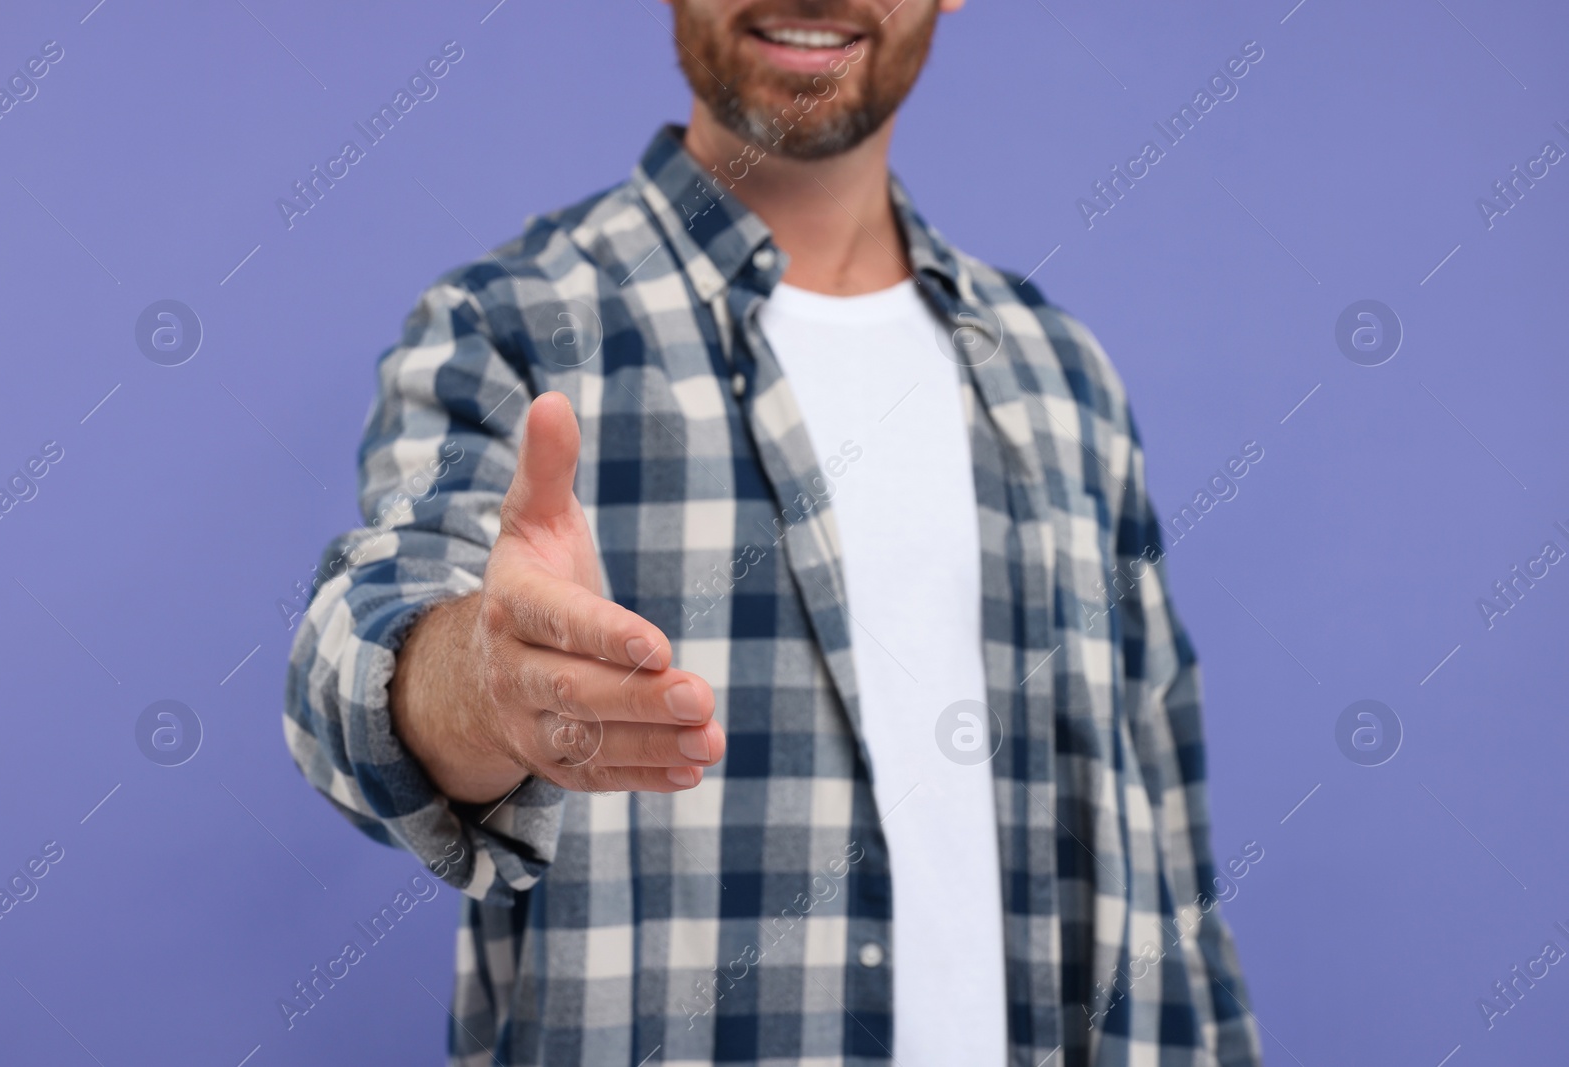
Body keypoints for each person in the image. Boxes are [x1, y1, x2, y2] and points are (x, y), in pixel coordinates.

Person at [283, 1, 1264, 1064]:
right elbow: (363, 637)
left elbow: (1167, 839)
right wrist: (480, 678)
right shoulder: (510, 328)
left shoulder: (1060, 373)